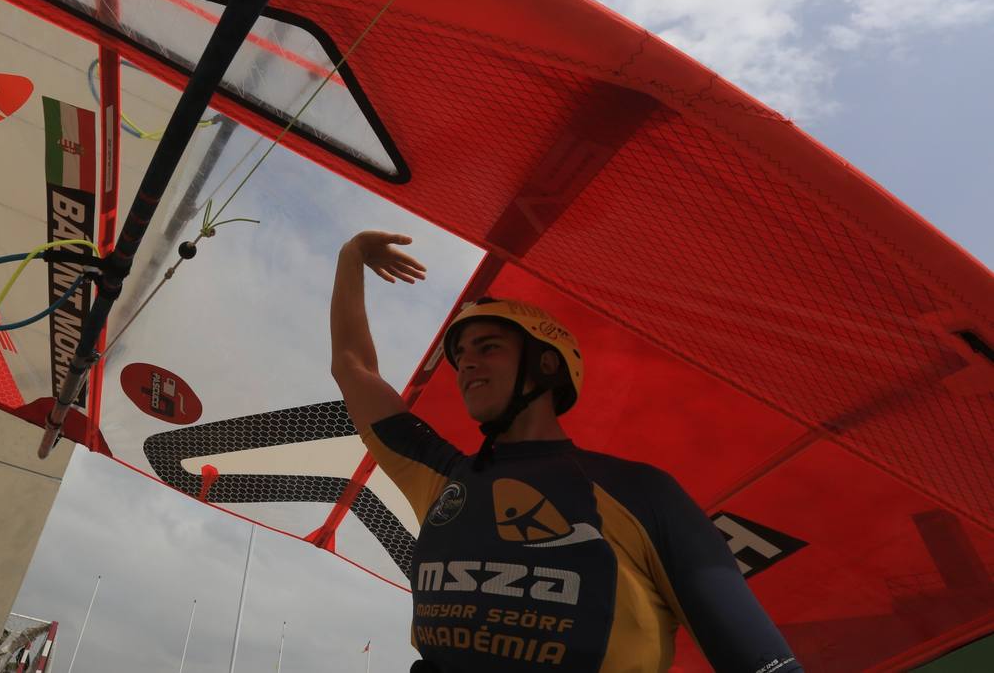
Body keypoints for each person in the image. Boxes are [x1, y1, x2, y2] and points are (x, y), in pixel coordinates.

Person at [331, 231, 802, 673]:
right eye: (461, 354)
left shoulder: (642, 493)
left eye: (487, 346)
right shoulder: (439, 474)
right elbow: (354, 369)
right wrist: (351, 255)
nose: (466, 362)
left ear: (547, 363)